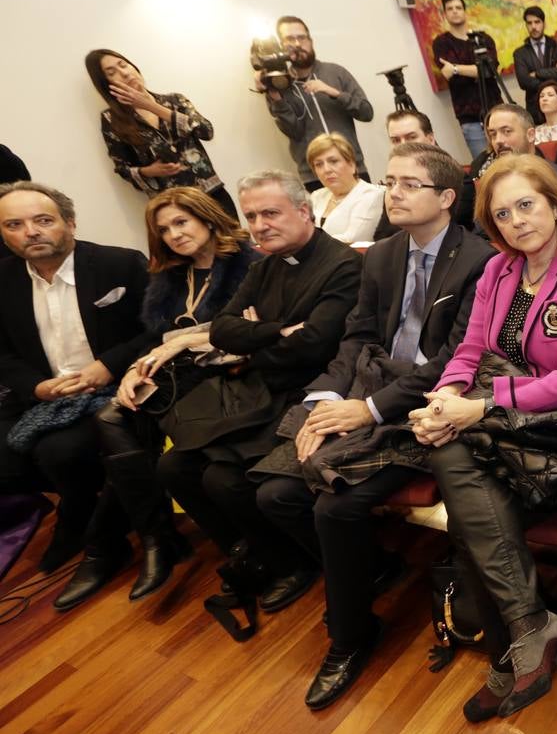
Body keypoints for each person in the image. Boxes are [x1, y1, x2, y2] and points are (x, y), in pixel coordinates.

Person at [252, 143, 494, 709]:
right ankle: (375, 566)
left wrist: (370, 409)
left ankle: (351, 636)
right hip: (365, 388)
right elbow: (357, 337)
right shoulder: (382, 255)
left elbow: (459, 359)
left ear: (446, 198)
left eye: (410, 183)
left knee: (335, 507)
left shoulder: (479, 260)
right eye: (389, 182)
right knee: (274, 492)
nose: (395, 192)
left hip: (431, 406)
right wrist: (327, 398)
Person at [414, 153, 557, 722]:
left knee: (459, 482)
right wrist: (445, 399)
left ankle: (514, 645)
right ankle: (526, 632)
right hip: (513, 421)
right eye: (503, 213)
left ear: (553, 203)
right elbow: (469, 351)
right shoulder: (498, 271)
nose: (518, 221)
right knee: (460, 471)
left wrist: (479, 406)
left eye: (527, 204)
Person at [155, 170, 361, 615]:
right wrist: (274, 331)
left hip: (308, 390)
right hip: (257, 389)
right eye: (251, 215)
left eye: (271, 213)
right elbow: (225, 329)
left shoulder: (342, 264)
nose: (259, 225)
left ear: (303, 212)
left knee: (224, 479)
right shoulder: (263, 264)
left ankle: (295, 564)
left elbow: (316, 344)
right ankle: (253, 552)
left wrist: (253, 340)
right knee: (173, 466)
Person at [60, 188, 261, 609]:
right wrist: (137, 366)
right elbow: (155, 337)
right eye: (164, 229)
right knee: (116, 416)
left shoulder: (249, 262)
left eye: (181, 223)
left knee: (126, 427)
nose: (174, 235)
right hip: (180, 372)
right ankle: (155, 537)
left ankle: (140, 541)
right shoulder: (173, 274)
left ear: (206, 218)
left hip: (228, 372)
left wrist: (174, 343)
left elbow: (244, 330)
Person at [0, 181, 148, 573]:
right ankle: (84, 506)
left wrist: (109, 365)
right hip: (44, 393)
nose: (30, 232)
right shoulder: (3, 281)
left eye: (43, 220)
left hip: (115, 387)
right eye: (14, 224)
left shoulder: (121, 264)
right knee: (7, 456)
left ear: (70, 222)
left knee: (58, 452)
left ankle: (83, 520)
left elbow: (157, 330)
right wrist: (36, 385)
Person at [85, 49, 235, 218]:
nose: (124, 73)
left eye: (123, 65)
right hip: (173, 207)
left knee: (238, 243)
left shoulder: (174, 101)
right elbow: (122, 168)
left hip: (213, 193)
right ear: (107, 84)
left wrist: (151, 106)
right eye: (112, 73)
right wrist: (150, 171)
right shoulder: (111, 120)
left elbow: (206, 131)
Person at [259, 16, 374, 191]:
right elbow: (293, 132)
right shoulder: (279, 85)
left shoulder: (336, 72)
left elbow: (366, 112)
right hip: (314, 177)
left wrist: (333, 92)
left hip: (353, 168)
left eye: (302, 38)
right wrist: (276, 98)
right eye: (290, 39)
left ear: (310, 41)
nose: (297, 44)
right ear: (280, 45)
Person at [431, 0, 499, 160]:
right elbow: (448, 74)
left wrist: (456, 68)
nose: (455, 11)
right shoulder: (442, 42)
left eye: (458, 8)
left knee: (512, 158)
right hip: (470, 117)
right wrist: (473, 70)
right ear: (445, 14)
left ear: (465, 11)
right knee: (485, 165)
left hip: (496, 109)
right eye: (450, 9)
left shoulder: (482, 39)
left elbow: (490, 71)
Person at [473, 105, 557, 207]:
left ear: (531, 135)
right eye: (493, 134)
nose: (498, 141)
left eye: (507, 131)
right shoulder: (491, 181)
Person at [306, 134, 387, 245]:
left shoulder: (371, 194)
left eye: (333, 161)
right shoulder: (316, 196)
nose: (326, 169)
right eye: (319, 164)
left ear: (351, 165)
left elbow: (352, 238)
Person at [512, 5, 557, 125]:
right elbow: (523, 81)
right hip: (535, 109)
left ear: (544, 23)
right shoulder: (520, 53)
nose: (533, 27)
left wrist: (537, 74)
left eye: (537, 22)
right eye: (529, 23)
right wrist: (552, 77)